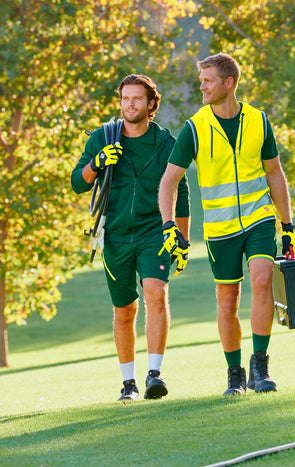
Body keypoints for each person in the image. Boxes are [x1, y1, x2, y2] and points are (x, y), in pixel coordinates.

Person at [158, 53, 295, 396]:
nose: (201, 86)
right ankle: (235, 373)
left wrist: (287, 224)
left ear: (228, 83)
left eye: (207, 80)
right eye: (202, 80)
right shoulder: (194, 128)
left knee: (262, 280)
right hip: (220, 230)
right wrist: (168, 224)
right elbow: (169, 181)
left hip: (258, 218)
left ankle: (260, 366)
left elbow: (274, 173)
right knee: (228, 300)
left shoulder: (259, 121)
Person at [71, 74, 190, 401]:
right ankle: (129, 382)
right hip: (115, 235)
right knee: (124, 310)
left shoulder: (166, 143)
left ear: (151, 104)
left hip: (155, 231)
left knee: (156, 291)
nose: (130, 105)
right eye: (125, 99)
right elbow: (77, 183)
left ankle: (154, 373)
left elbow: (181, 191)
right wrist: (96, 163)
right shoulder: (102, 137)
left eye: (137, 99)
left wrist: (182, 238)